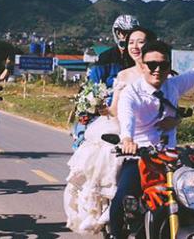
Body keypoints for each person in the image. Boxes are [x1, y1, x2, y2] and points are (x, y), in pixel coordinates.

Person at [108, 40, 194, 237]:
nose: (157, 70)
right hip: (140, 157)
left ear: (169, 67)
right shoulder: (131, 93)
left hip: (171, 159)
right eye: (152, 65)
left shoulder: (173, 85)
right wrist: (128, 140)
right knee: (121, 198)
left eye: (163, 65)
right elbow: (126, 117)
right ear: (142, 66)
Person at [64, 27, 156, 235]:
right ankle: (112, 214)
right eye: (131, 42)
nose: (135, 47)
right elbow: (115, 109)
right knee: (107, 158)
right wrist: (98, 107)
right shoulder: (123, 75)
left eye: (140, 42)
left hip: (152, 137)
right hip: (122, 130)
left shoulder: (159, 73)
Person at [72, 14, 140, 149]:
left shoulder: (140, 58)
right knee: (85, 139)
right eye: (123, 33)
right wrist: (95, 103)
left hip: (134, 109)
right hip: (106, 109)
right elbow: (93, 84)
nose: (126, 37)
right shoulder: (106, 57)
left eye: (131, 34)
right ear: (117, 33)